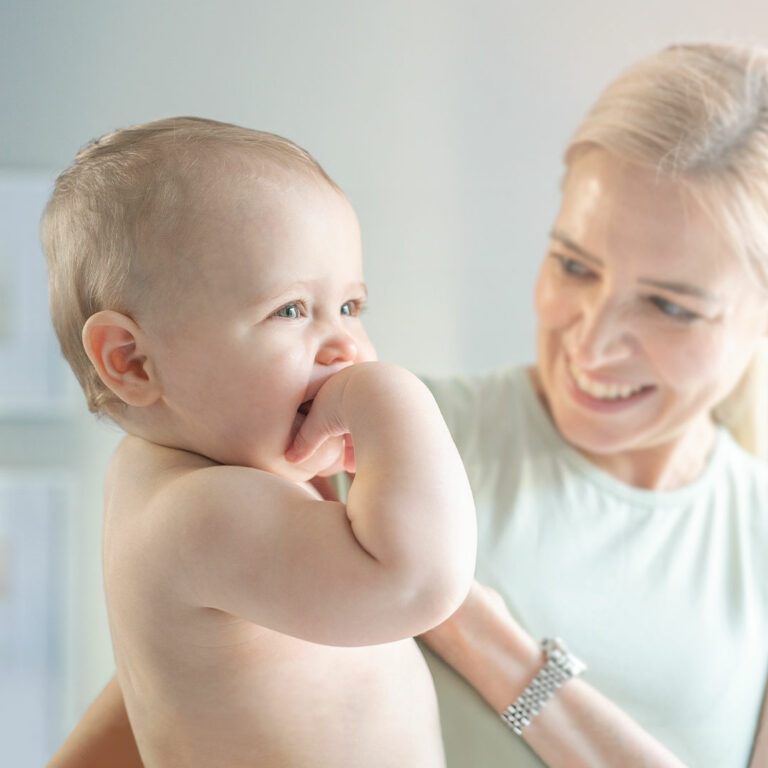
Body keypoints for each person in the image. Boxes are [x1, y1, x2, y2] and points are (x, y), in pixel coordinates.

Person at [48, 41, 768, 768]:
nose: (597, 339)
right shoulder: (332, 436)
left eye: (672, 307)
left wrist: (492, 646)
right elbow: (168, 698)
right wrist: (391, 401)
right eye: (575, 265)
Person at [41, 117, 477, 768]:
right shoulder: (201, 513)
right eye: (292, 310)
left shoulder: (173, 478)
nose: (347, 347)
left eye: (351, 307)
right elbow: (421, 585)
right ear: (131, 361)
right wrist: (389, 398)